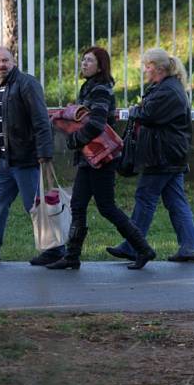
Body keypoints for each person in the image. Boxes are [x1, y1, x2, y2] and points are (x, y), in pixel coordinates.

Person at [47, 46, 156, 270]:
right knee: (78, 205)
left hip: (101, 159)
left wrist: (74, 140)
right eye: (83, 60)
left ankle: (143, 249)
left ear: (100, 66)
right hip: (90, 159)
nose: (83, 64)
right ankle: (72, 256)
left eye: (89, 61)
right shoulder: (90, 87)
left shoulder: (100, 90)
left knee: (106, 207)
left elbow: (96, 124)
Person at [0, 46, 66, 265]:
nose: (2, 65)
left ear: (14, 61)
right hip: (3, 162)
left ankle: (56, 250)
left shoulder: (27, 84)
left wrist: (45, 153)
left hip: (26, 159)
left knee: (36, 206)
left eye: (6, 60)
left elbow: (41, 121)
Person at [106, 47, 194, 263]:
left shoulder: (168, 91)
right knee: (176, 201)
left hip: (162, 156)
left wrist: (134, 111)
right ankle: (190, 247)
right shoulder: (168, 87)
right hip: (171, 155)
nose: (145, 70)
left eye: (148, 66)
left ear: (159, 68)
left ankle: (133, 245)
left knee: (145, 198)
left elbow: (148, 114)